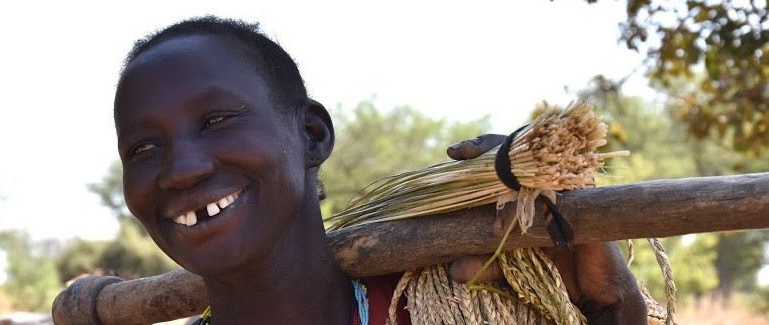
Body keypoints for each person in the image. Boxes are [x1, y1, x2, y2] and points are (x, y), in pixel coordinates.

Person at [113, 16, 647, 324]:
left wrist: (610, 311)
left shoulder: (461, 313)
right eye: (141, 149)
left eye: (217, 120)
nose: (180, 170)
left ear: (312, 135)